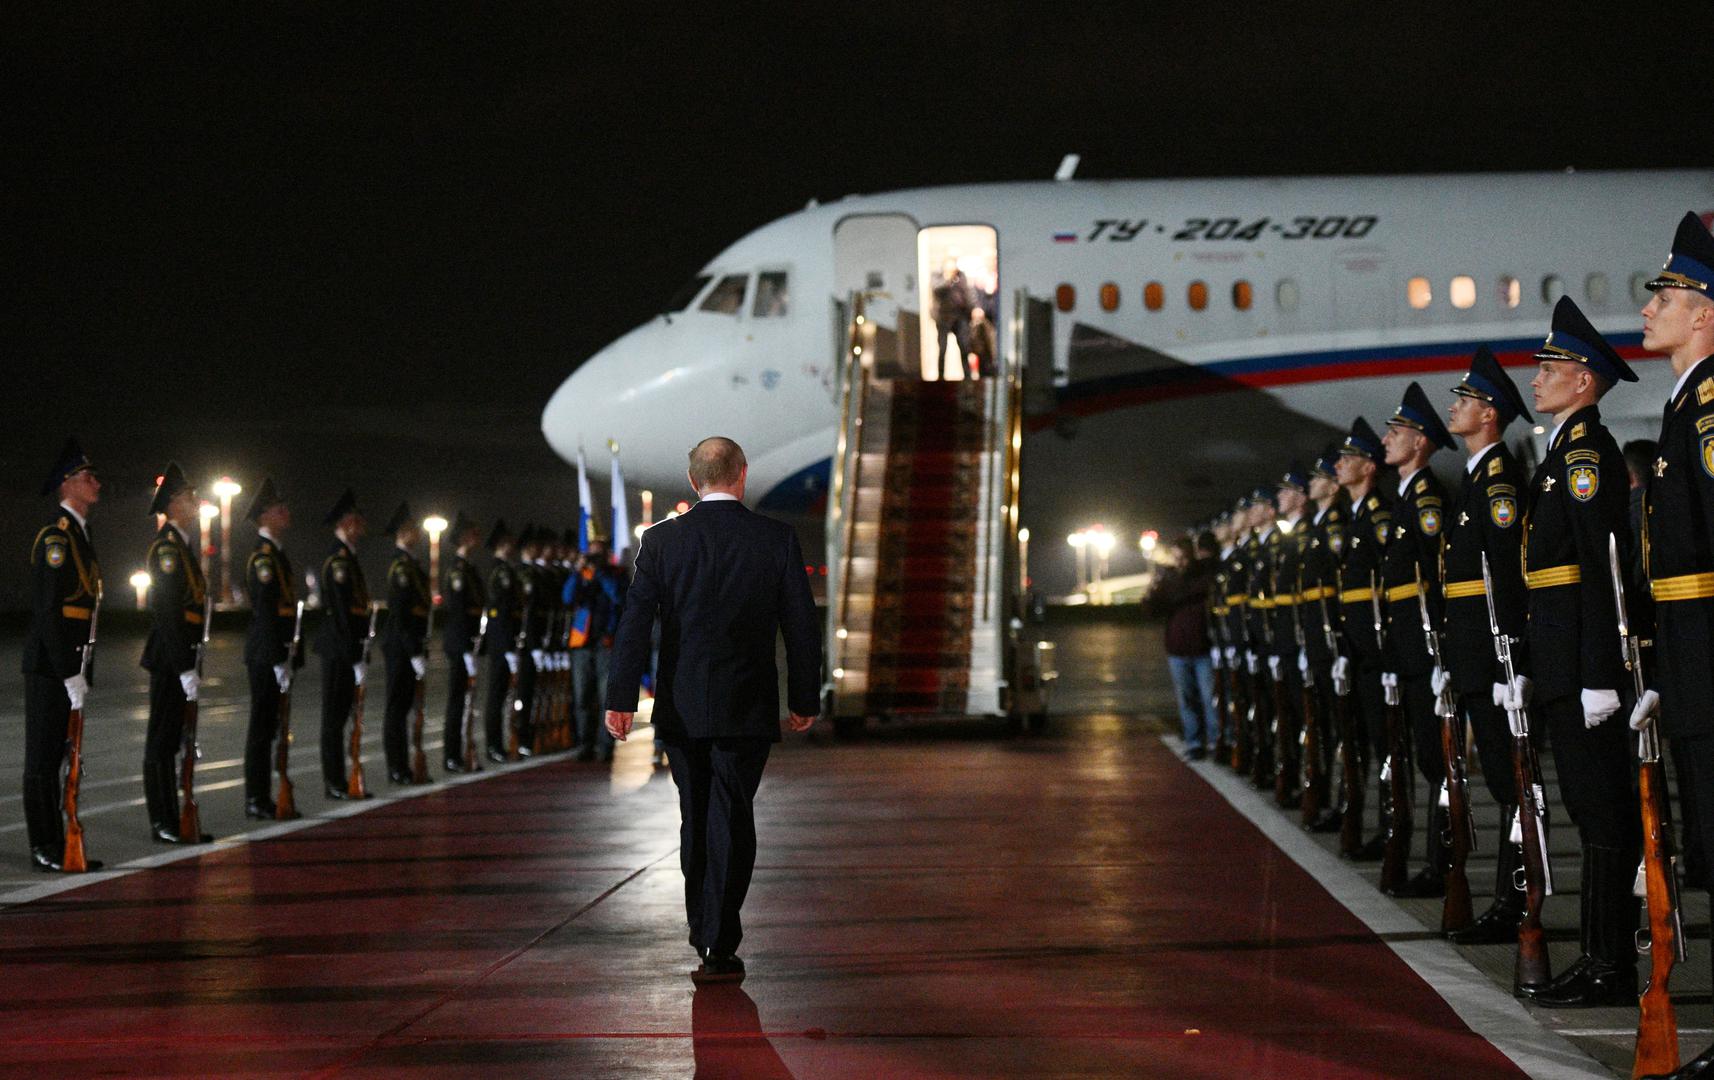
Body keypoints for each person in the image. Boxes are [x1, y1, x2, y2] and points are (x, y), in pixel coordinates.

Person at [605, 436, 820, 984]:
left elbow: (634, 624)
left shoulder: (661, 542)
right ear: (742, 474)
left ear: (692, 477)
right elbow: (800, 626)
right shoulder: (775, 539)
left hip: (682, 704)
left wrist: (621, 699)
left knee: (694, 813)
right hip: (747, 706)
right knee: (732, 812)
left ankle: (703, 927)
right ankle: (720, 936)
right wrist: (803, 699)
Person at [1516, 296, 1641, 1008]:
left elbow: (1602, 569)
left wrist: (1600, 674)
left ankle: (1608, 965)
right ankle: (1600, 960)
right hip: (1562, 664)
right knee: (1589, 814)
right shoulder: (1562, 453)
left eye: (1551, 367)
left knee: (1603, 816)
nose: (1537, 378)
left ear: (1585, 380)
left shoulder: (1588, 454)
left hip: (1584, 670)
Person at [1632, 212, 1714, 1079]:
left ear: (1707, 312)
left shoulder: (1712, 405)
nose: (1651, 305)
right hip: (1691, 663)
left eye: (1668, 293)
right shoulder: (1686, 401)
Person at [1440, 348, 1535, 945]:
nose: (1456, 407)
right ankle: (1508, 902)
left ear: (1491, 415)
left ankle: (1516, 904)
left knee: (1513, 787)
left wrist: (1514, 662)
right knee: (1504, 788)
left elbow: (1508, 578)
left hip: (1496, 661)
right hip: (1475, 659)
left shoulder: (1499, 484)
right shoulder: (1478, 480)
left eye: (1466, 401)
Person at [1379, 383, 1455, 898]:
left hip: (1426, 651)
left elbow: (1438, 581)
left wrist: (1440, 654)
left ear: (1421, 443)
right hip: (1408, 652)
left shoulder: (1426, 499)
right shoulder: (1405, 499)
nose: (1388, 440)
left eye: (1398, 432)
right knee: (1426, 762)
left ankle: (1443, 868)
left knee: (1438, 763)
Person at [22, 438, 104, 872]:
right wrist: (68, 671)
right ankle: (45, 846)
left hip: (70, 665)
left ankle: (61, 842)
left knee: (60, 759)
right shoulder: (57, 537)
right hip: (51, 666)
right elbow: (49, 612)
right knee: (42, 761)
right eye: (88, 477)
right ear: (68, 484)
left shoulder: (81, 537)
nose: (96, 482)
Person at [140, 463, 213, 844]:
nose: (195, 500)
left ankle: (175, 818)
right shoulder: (167, 548)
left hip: (182, 654)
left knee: (174, 741)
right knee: (162, 742)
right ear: (172, 503)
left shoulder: (182, 546)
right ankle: (163, 821)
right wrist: (185, 666)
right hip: (171, 656)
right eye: (188, 495)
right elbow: (168, 611)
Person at [1334, 417, 1393, 860]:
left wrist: (1386, 647)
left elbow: (1390, 581)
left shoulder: (1378, 513)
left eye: (1348, 458)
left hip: (1377, 648)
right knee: (1367, 740)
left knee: (1387, 743)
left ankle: (1394, 830)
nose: (1339, 465)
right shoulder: (1354, 514)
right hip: (1357, 646)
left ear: (1369, 467)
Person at [242, 477, 304, 820]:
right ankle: (256, 797)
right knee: (262, 729)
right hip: (267, 654)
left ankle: (267, 795)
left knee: (273, 728)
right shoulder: (263, 557)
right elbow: (266, 612)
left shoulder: (278, 555)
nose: (287, 513)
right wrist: (279, 657)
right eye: (280, 509)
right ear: (265, 516)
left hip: (278, 652)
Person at [1303, 447, 1350, 833]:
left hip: (1333, 641)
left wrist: (1341, 647)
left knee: (1342, 730)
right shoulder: (1318, 524)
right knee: (1324, 725)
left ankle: (1344, 805)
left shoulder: (1335, 522)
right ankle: (1333, 802)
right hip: (1319, 642)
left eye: (1318, 478)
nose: (1310, 485)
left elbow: (1338, 586)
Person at [316, 488, 373, 800]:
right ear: (345, 523)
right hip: (339, 649)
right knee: (334, 719)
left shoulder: (350, 560)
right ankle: (334, 781)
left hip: (349, 649)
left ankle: (342, 779)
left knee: (343, 717)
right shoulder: (338, 562)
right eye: (356, 519)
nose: (360, 524)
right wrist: (354, 656)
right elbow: (341, 615)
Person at [380, 503, 430, 784]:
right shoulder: (401, 567)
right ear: (402, 533)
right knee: (397, 709)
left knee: (406, 707)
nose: (418, 532)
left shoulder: (412, 566)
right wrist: (413, 651)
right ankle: (397, 767)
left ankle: (405, 766)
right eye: (412, 528)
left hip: (411, 644)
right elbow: (401, 613)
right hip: (401, 646)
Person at [1157, 533, 1216, 760]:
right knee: (1187, 700)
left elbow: (1190, 592)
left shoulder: (1199, 578)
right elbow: (1153, 608)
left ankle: (1214, 742)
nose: (1179, 563)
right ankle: (1194, 743)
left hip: (1202, 647)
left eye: (1183, 558)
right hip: (1177, 649)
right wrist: (1155, 589)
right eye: (1176, 558)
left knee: (1208, 698)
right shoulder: (1168, 581)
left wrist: (1169, 583)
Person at [569, 536, 622, 761]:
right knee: (582, 696)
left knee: (605, 697)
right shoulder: (583, 576)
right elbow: (567, 597)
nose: (594, 558)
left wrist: (601, 573)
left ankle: (606, 746)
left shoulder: (616, 574)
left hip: (605, 643)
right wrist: (577, 573)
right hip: (582, 642)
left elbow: (618, 597)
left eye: (598, 554)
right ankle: (584, 743)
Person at [440, 513, 485, 773]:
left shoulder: (469, 570)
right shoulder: (458, 571)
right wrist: (467, 647)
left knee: (466, 702)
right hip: (461, 645)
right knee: (457, 701)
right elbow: (458, 612)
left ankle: (463, 752)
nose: (476, 537)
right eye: (472, 532)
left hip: (469, 643)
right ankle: (451, 755)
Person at [480, 519, 523, 763]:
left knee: (502, 694)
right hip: (501, 643)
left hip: (506, 642)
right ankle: (493, 746)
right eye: (508, 543)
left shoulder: (506, 570)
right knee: (496, 696)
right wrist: (508, 647)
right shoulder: (501, 572)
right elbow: (502, 613)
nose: (512, 546)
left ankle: (499, 744)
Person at [966, 305, 996, 379]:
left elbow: (990, 344)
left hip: (986, 357)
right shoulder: (973, 326)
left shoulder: (985, 327)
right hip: (981, 356)